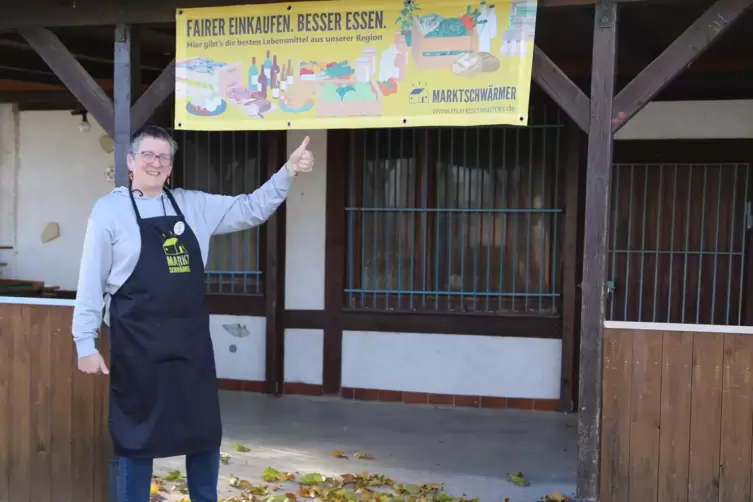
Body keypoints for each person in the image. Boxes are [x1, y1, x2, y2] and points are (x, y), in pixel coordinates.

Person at [72, 125, 314, 502]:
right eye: (148, 155)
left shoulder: (193, 205)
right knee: (138, 439)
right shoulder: (109, 211)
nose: (156, 163)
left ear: (171, 166)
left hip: (190, 346)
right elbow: (91, 279)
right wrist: (84, 342)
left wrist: (288, 171)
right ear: (131, 161)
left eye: (164, 157)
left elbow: (251, 208)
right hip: (138, 348)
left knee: (202, 436)